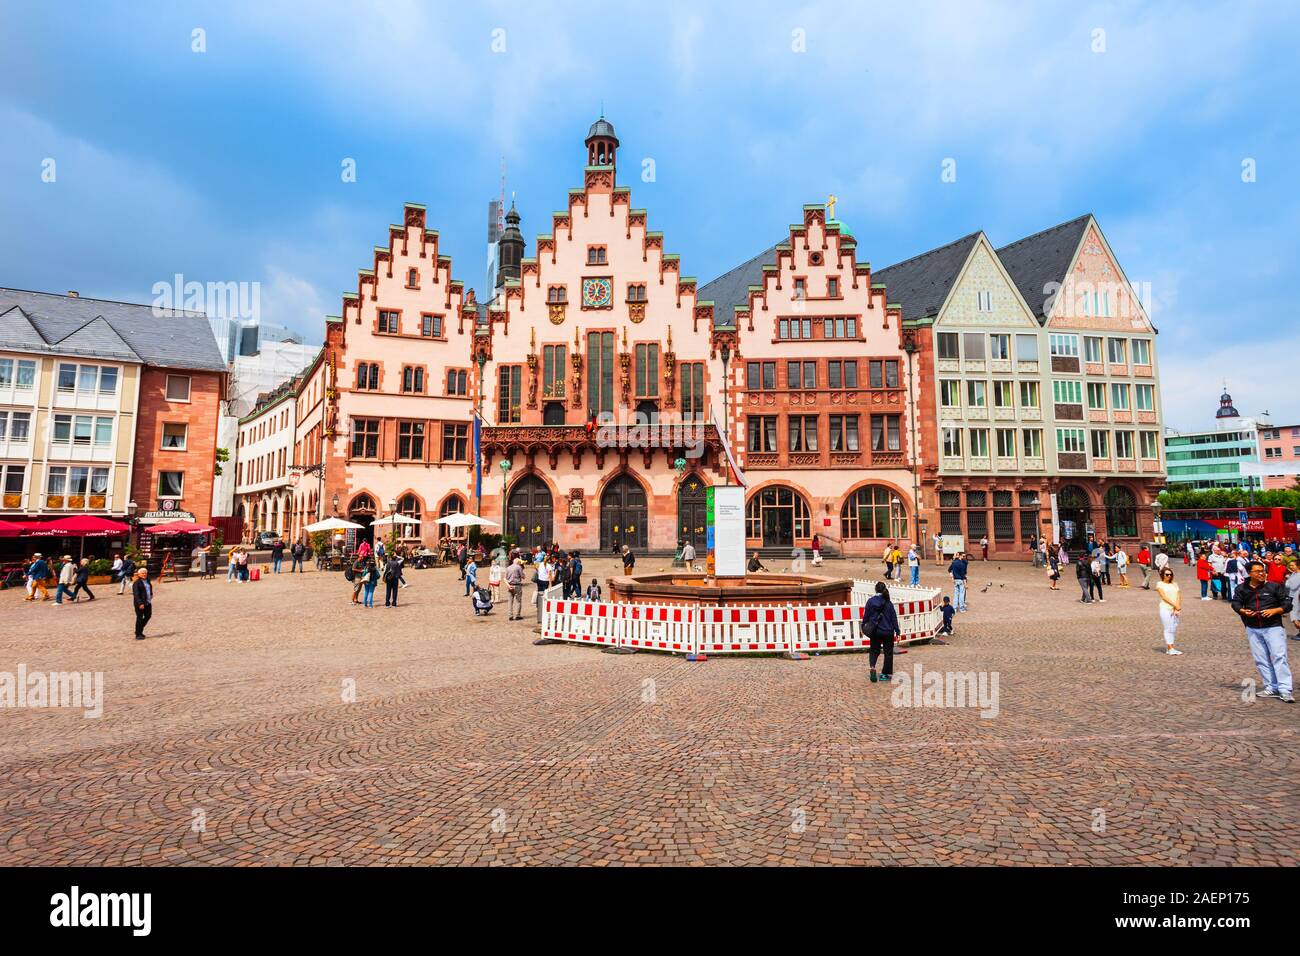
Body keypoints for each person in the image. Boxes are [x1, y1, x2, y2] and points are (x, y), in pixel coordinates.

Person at [1231, 560, 1294, 702]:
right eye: (1258, 571)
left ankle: (1285, 689)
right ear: (1249, 573)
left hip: (1273, 627)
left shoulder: (1274, 587)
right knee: (1261, 659)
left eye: (1263, 571)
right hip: (1252, 628)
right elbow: (1235, 603)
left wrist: (1275, 610)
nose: (1261, 573)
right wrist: (1243, 611)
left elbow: (1287, 604)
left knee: (1279, 657)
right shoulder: (1241, 588)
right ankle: (1271, 687)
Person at [862, 582, 900, 684]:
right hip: (888, 631)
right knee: (888, 653)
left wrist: (864, 626)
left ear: (875, 590)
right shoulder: (888, 603)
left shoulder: (870, 602)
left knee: (874, 650)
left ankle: (873, 667)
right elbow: (893, 618)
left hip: (875, 631)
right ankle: (884, 674)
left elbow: (866, 615)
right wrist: (897, 631)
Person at [1155, 567, 1183, 655]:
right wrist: (1174, 605)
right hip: (1165, 608)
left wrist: (1177, 606)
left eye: (1170, 574)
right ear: (1162, 575)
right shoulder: (1160, 584)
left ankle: (1170, 647)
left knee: (1174, 627)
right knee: (1168, 628)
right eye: (1167, 574)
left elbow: (1178, 595)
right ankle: (1170, 648)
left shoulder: (1175, 584)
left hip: (1175, 609)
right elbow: (1164, 596)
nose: (1169, 576)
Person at [131, 567, 152, 640]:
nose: (144, 574)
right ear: (139, 574)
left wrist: (151, 594)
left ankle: (138, 629)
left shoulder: (148, 580)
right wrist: (140, 603)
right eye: (142, 573)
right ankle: (138, 634)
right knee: (139, 618)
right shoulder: (136, 583)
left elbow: (149, 588)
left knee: (148, 616)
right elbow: (136, 594)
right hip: (140, 603)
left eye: (145, 573)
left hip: (147, 602)